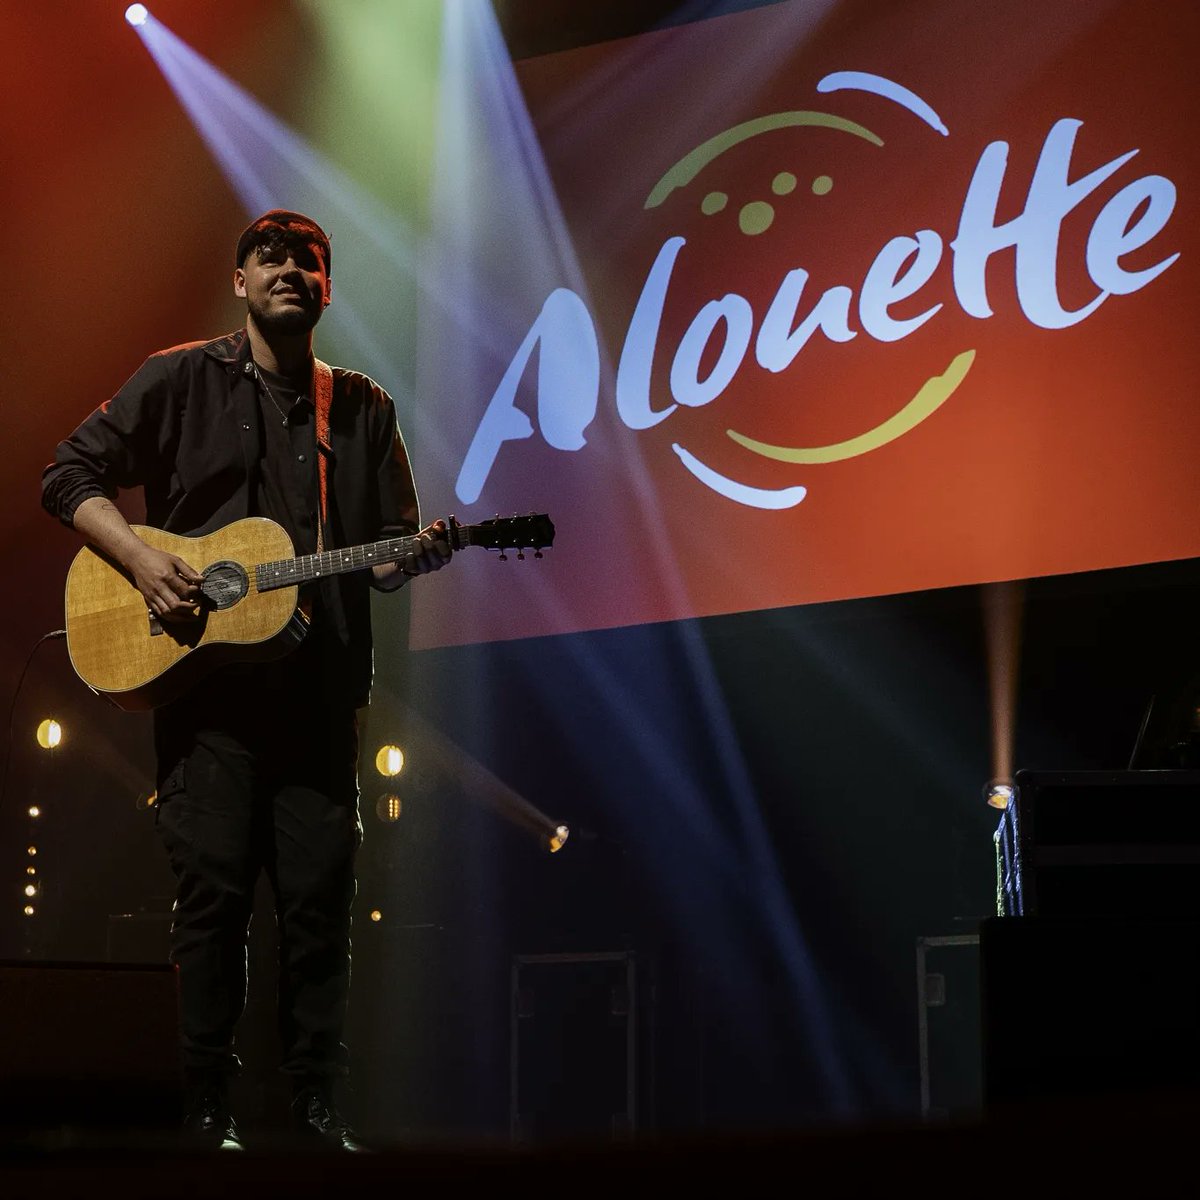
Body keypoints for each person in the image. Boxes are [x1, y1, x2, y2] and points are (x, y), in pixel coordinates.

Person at [41, 210, 452, 1150]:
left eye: (310, 261)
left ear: (327, 289)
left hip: (318, 699)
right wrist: (144, 563)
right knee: (214, 899)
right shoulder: (179, 378)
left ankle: (315, 1105)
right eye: (269, 257)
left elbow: (388, 552)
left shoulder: (361, 409)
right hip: (205, 699)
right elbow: (68, 475)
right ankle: (207, 1109)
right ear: (239, 281)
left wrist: (410, 558)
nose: (290, 271)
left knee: (319, 905)